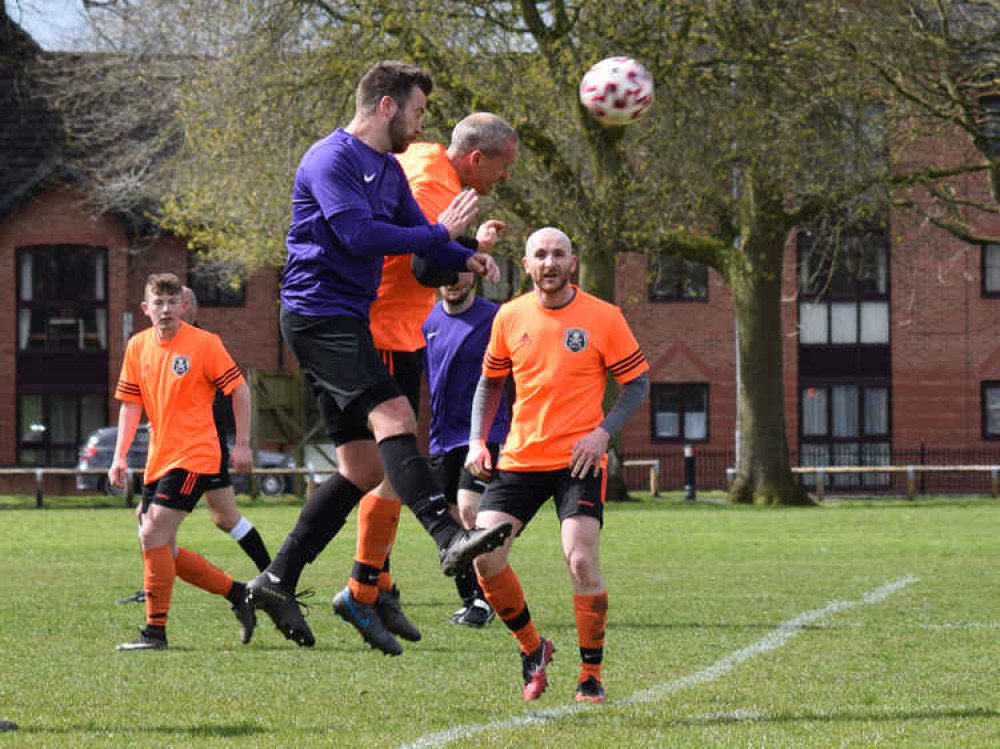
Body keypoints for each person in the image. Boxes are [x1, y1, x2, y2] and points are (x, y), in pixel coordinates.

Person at [245, 60, 512, 650]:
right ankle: (447, 538)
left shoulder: (388, 170)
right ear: (387, 105)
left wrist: (464, 257)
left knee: (363, 469)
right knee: (396, 419)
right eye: (417, 111)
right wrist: (440, 236)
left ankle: (276, 577)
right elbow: (358, 236)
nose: (422, 125)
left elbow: (421, 236)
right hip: (317, 314)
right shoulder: (330, 159)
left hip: (346, 318)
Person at [339, 112, 518, 652]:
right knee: (383, 473)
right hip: (388, 342)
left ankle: (384, 586)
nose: (502, 181)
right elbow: (422, 263)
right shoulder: (437, 181)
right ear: (477, 158)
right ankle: (364, 585)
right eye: (503, 169)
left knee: (383, 476)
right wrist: (458, 250)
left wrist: (466, 249)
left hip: (397, 347)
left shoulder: (420, 160)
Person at [466, 227, 650, 702]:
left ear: (573, 263)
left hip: (578, 460)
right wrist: (476, 442)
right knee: (484, 557)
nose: (549, 263)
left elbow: (637, 383)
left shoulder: (604, 317)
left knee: (582, 559)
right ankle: (533, 648)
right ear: (525, 265)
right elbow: (489, 384)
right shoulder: (509, 316)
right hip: (520, 457)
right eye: (540, 255)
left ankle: (591, 676)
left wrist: (603, 432)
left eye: (558, 254)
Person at [111, 272, 257, 651]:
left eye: (172, 302)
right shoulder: (137, 346)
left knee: (153, 533)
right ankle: (239, 594)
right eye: (157, 303)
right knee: (162, 549)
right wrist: (119, 456)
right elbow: (131, 405)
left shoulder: (205, 344)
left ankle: (154, 633)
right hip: (159, 457)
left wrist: (242, 444)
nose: (165, 310)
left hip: (197, 454)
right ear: (145, 309)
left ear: (184, 306)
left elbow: (239, 390)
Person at [423, 271, 511, 628]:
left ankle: (487, 600)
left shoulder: (495, 317)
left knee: (471, 509)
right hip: (441, 436)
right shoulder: (428, 321)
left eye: (460, 272)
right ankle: (472, 599)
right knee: (450, 518)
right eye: (446, 273)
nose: (453, 280)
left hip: (483, 431)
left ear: (473, 274)